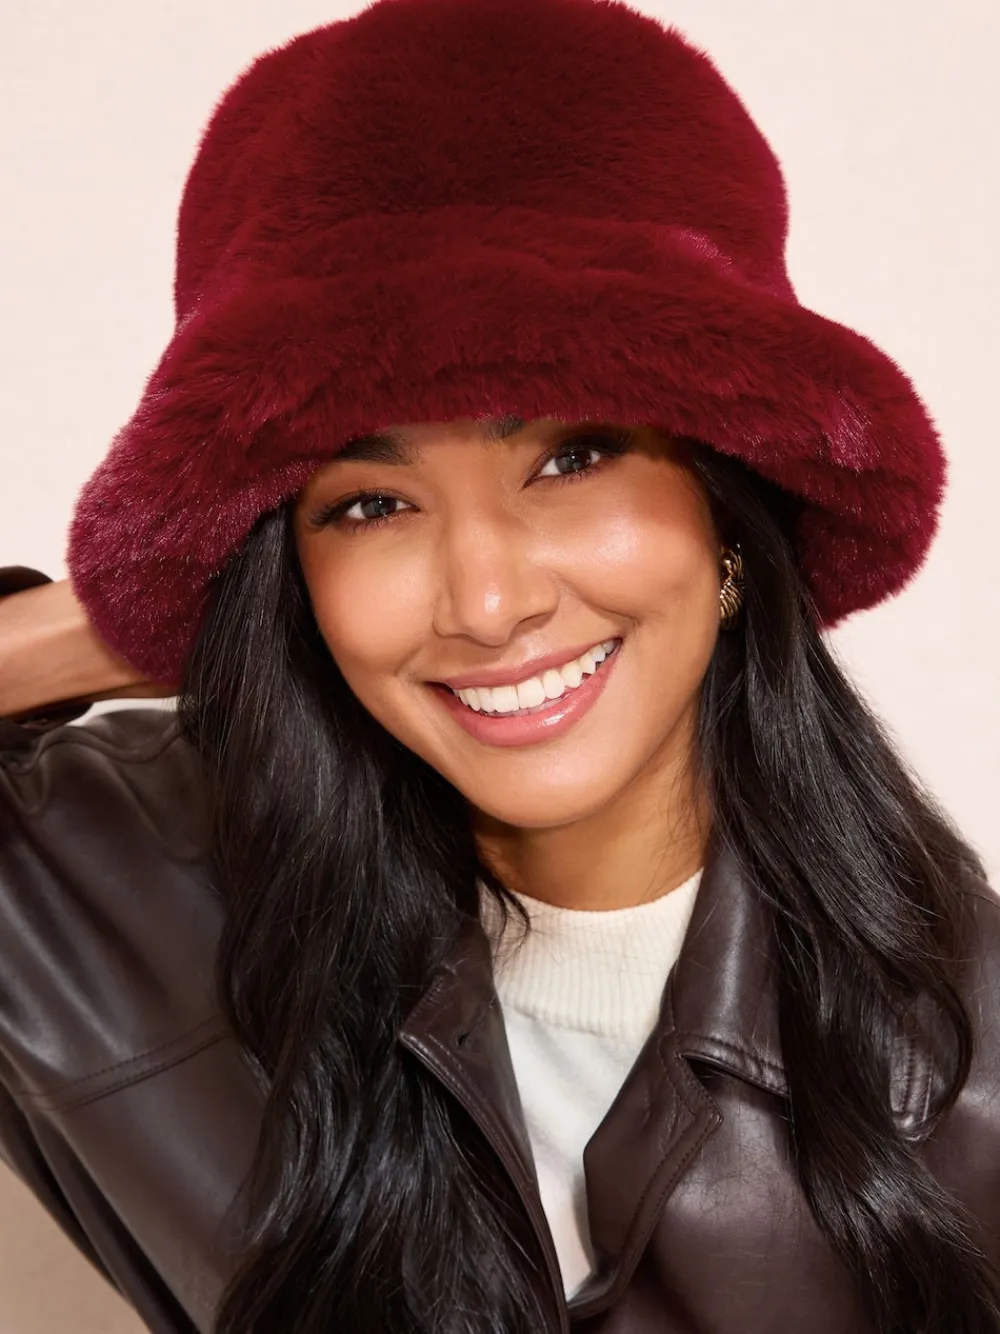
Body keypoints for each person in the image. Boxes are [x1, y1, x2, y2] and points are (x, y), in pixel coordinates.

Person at [1, 1, 998, 1332]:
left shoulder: (976, 1069)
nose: (486, 601)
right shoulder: (119, 899)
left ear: (729, 509)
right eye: (370, 504)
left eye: (572, 458)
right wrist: (141, 613)